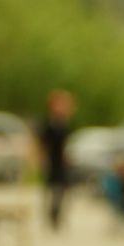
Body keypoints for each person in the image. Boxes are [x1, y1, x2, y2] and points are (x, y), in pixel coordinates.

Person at [39, 90, 75, 231]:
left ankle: (57, 216)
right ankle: (51, 215)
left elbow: (66, 144)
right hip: (52, 161)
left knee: (62, 190)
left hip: (62, 162)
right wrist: (42, 160)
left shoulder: (64, 123)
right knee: (51, 189)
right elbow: (44, 144)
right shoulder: (49, 123)